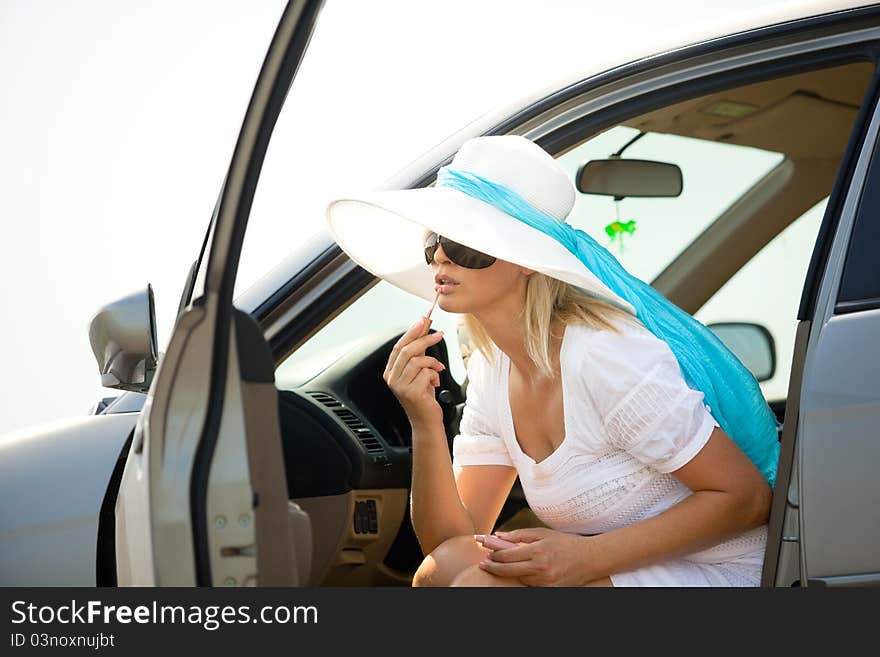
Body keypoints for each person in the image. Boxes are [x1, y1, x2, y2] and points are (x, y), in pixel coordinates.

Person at [324, 135, 780, 587]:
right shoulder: (492, 367)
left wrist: (587, 557)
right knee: (440, 572)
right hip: (617, 564)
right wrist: (424, 420)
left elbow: (746, 499)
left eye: (466, 245)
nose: (442, 256)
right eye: (435, 241)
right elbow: (449, 541)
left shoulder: (603, 354)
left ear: (527, 261)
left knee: (478, 587)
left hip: (721, 570)